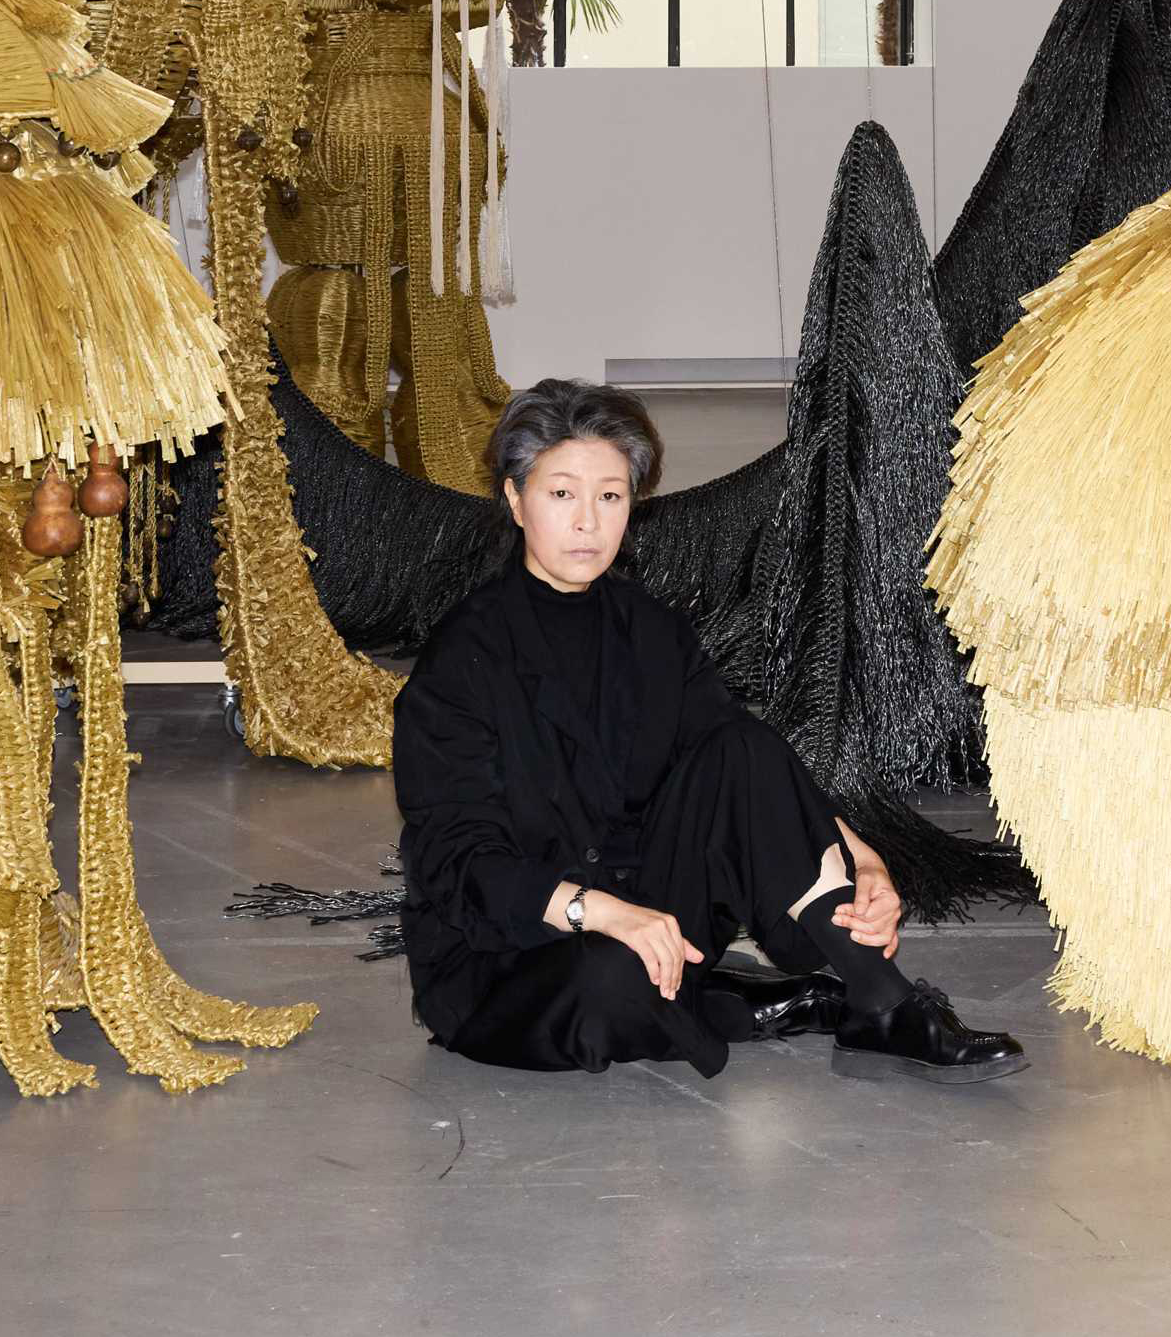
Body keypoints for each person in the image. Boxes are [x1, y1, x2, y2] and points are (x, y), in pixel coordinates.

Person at [392, 378, 1027, 1082]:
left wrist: (864, 861)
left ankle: (881, 1003)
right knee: (609, 982)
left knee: (741, 744)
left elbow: (747, 769)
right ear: (516, 500)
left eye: (610, 496)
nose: (587, 522)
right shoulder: (462, 659)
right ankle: (735, 999)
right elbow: (456, 861)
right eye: (562, 494)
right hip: (509, 950)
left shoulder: (652, 631)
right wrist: (604, 913)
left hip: (642, 907)